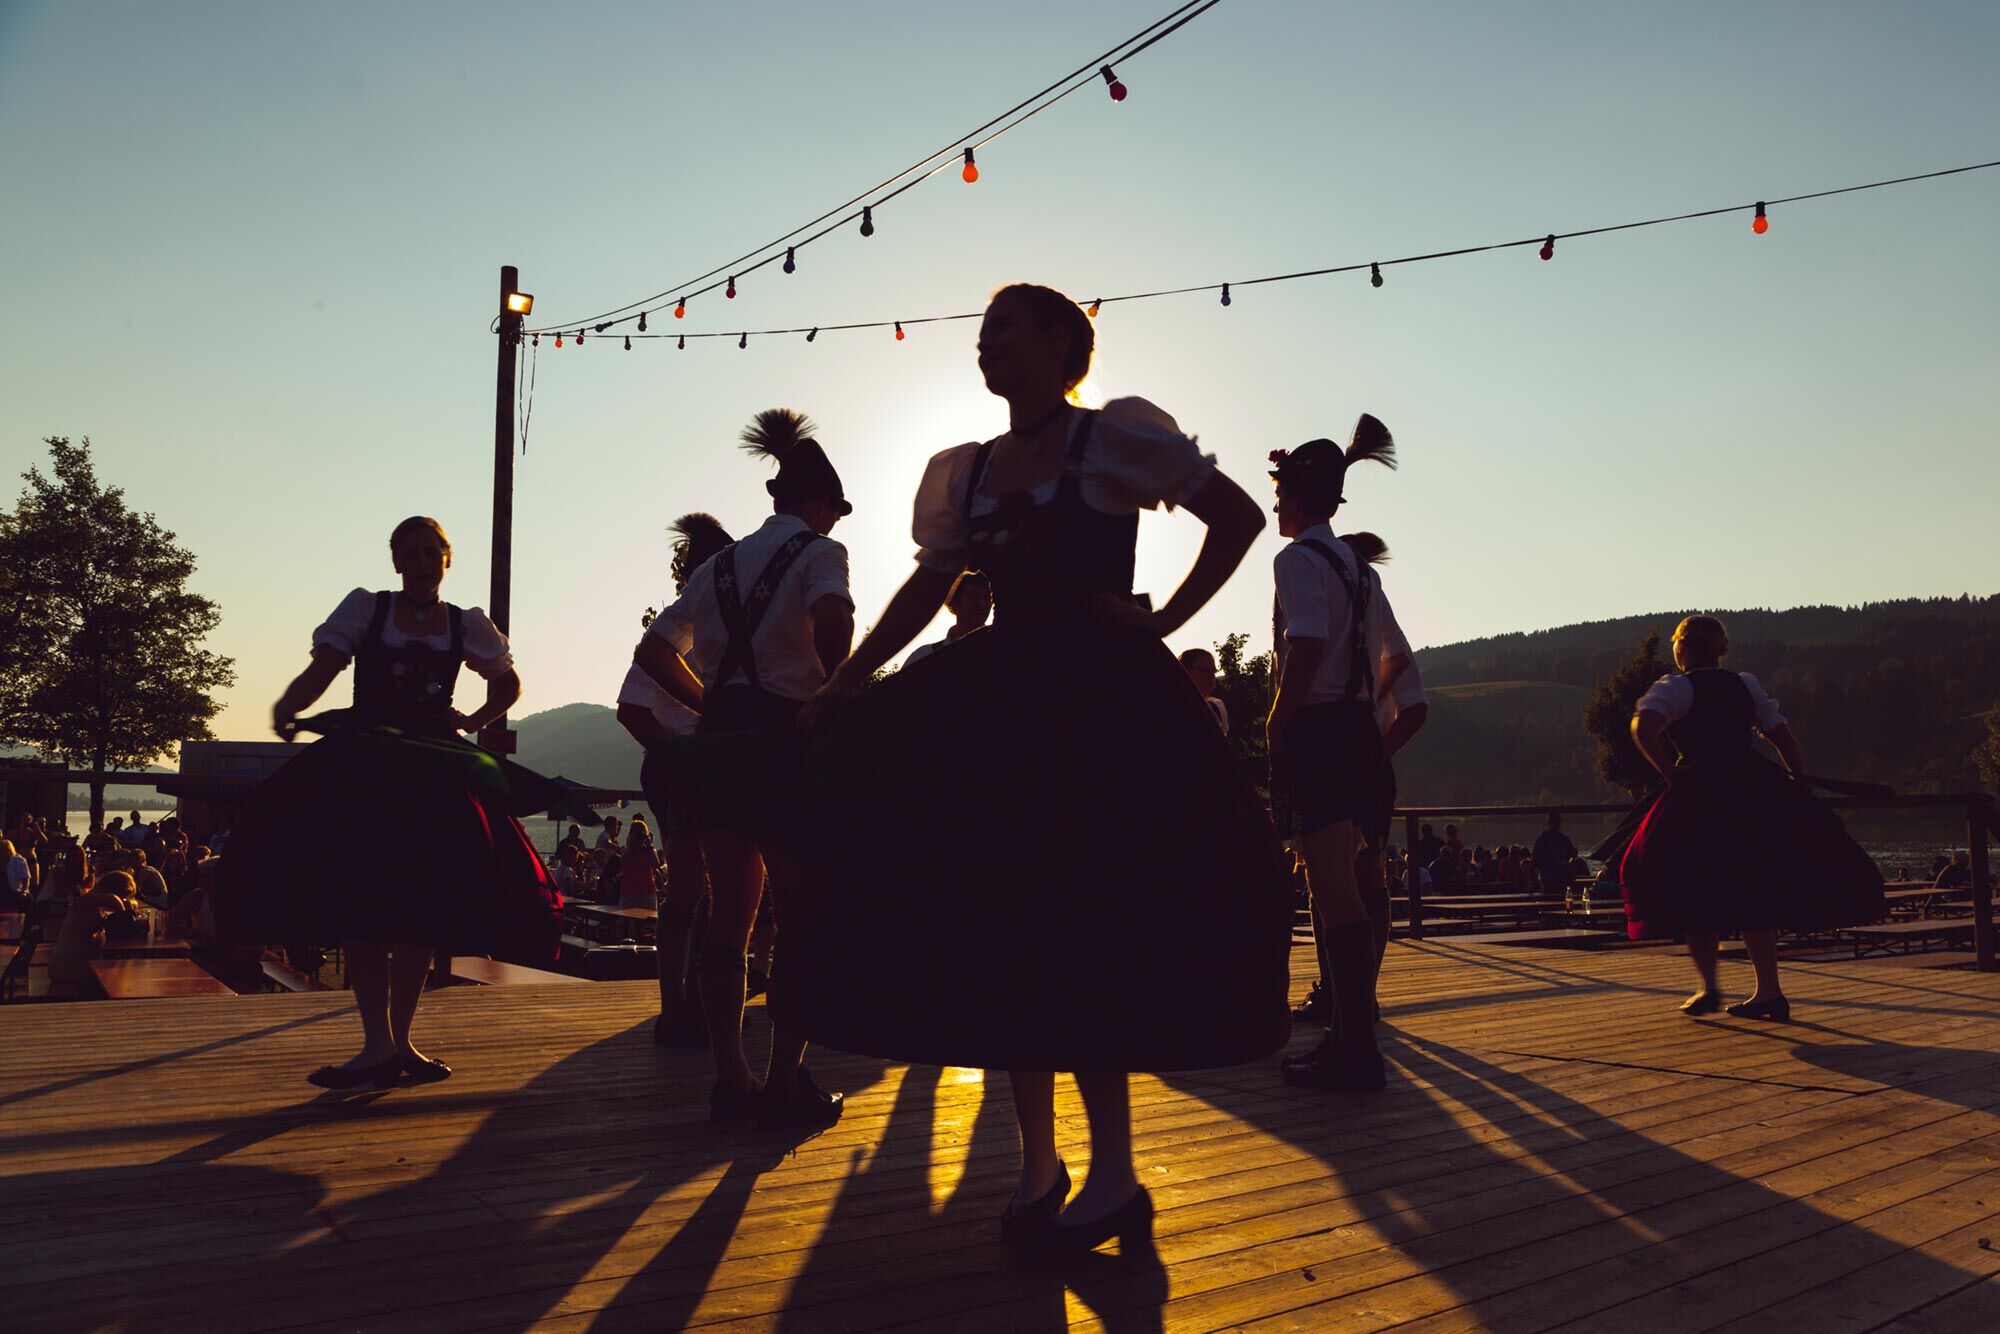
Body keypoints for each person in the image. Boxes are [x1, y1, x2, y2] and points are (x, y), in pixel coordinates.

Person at [779, 282, 1276, 1258]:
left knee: (1084, 930)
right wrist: (847, 680)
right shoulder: (966, 472)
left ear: (1059, 341)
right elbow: (930, 582)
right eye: (981, 332)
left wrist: (1163, 620)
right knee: (1011, 930)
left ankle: (1117, 1171)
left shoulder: (1113, 438)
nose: (984, 344)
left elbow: (1236, 517)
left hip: (1098, 714)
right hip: (1006, 712)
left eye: (1002, 328)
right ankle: (1041, 1163)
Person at [217, 515, 590, 1088]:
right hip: (367, 770)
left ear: (447, 559)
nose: (420, 563)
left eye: (429, 553)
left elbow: (509, 685)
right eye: (409, 554)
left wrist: (471, 722)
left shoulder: (466, 625)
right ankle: (375, 1045)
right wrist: (289, 704)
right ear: (396, 562)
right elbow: (325, 667)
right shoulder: (370, 608)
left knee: (418, 910)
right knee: (365, 905)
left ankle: (402, 1042)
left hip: (430, 773)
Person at [636, 409, 855, 1129]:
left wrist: (711, 703)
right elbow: (832, 622)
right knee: (801, 910)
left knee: (731, 908)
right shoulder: (824, 552)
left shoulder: (717, 566)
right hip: (785, 739)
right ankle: (783, 1081)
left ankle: (729, 1077)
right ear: (823, 504)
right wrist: (832, 692)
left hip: (721, 745)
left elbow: (652, 653)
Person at [1620, 614, 1883, 1019]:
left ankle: (1709, 987)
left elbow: (1643, 726)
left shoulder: (1677, 686)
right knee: (1753, 886)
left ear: (1683, 647)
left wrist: (1670, 772)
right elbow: (1783, 737)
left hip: (1701, 796)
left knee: (1691, 885)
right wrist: (1796, 782)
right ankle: (1768, 992)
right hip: (1753, 792)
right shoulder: (1745, 684)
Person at [1266, 421, 1399, 1093]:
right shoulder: (1356, 567)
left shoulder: (1297, 562)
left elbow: (1308, 645)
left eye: (1280, 490)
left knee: (1332, 891)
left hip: (1319, 729)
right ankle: (1353, 1038)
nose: (1275, 504)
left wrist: (1276, 720)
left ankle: (1355, 1048)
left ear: (1299, 494)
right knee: (1346, 883)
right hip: (1358, 729)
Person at [620, 511, 734, 1047]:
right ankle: (675, 1008)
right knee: (690, 885)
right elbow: (632, 710)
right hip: (681, 764)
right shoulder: (676, 632)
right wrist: (684, 754)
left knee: (719, 889)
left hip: (712, 764)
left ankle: (702, 1001)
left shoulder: (727, 633)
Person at [903, 570, 992, 667]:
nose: (982, 603)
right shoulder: (923, 655)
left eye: (988, 597)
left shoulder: (1002, 647)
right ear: (953, 602)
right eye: (974, 595)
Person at [1177, 647, 1230, 735]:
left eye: (1213, 671)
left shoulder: (1215, 709)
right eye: (1204, 671)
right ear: (1185, 672)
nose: (1211, 676)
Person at [1532, 813, 1578, 900]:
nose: (1556, 825)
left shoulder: (1543, 840)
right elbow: (1534, 862)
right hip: (1551, 879)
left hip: (1554, 879)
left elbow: (1534, 862)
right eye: (1555, 822)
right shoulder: (1545, 840)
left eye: (1557, 823)